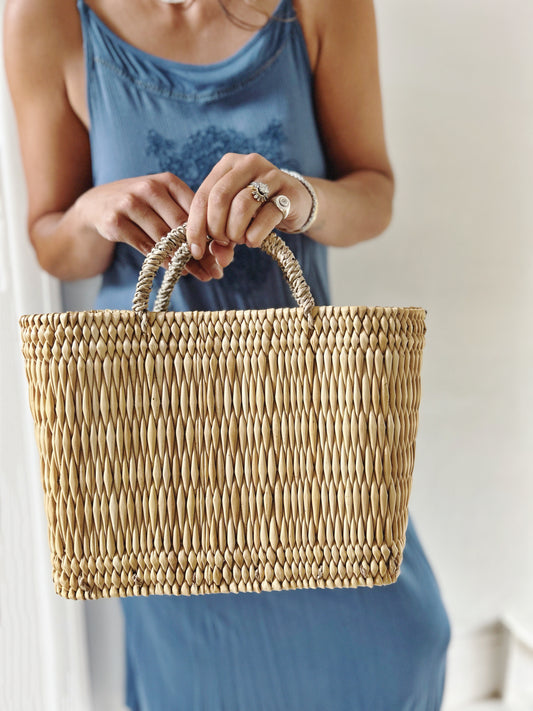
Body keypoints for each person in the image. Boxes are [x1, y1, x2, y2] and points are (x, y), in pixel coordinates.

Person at [4, 0, 451, 708]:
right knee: (200, 684)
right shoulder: (48, 17)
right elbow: (50, 239)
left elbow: (373, 192)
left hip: (303, 412)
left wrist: (297, 199)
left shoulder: (318, 8)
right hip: (155, 440)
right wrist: (96, 212)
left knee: (401, 643)